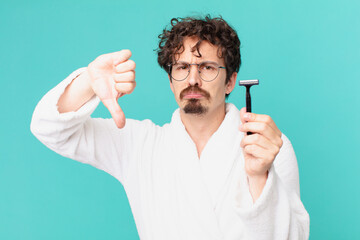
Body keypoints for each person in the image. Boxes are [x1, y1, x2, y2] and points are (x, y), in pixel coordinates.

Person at [30, 15, 310, 240]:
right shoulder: (139, 145)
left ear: (230, 81)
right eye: (181, 67)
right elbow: (48, 128)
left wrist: (260, 176)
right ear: (170, 80)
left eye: (208, 67)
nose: (193, 79)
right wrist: (87, 84)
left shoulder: (267, 146)